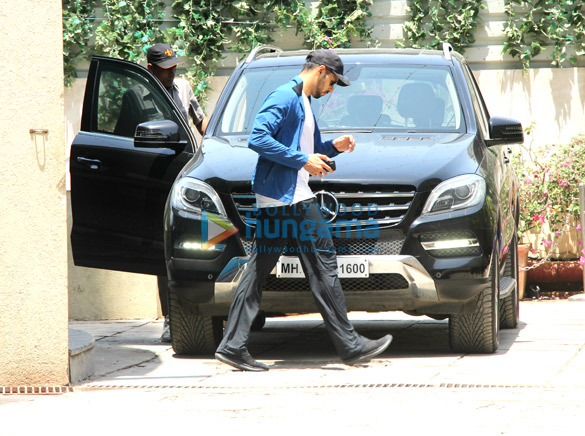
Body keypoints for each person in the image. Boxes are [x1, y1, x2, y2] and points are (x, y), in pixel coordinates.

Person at [215, 49, 393, 371]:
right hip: (289, 197)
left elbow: (306, 151)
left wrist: (331, 148)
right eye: (333, 82)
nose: (332, 90)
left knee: (258, 271)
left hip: (283, 197)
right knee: (324, 265)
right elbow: (258, 137)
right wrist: (302, 161)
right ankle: (350, 345)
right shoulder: (285, 96)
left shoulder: (304, 103)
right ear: (321, 71)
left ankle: (232, 345)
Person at [143, 43, 209, 343]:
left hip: (188, 174)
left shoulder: (183, 88)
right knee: (165, 248)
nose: (172, 73)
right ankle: (171, 318)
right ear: (151, 70)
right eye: (165, 69)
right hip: (158, 178)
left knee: (202, 241)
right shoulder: (138, 94)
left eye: (174, 67)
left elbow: (200, 120)